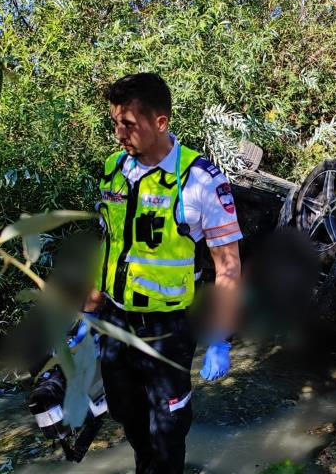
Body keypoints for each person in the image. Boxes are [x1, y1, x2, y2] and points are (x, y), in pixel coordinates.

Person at [81, 72, 242, 473]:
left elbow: (228, 267)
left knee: (168, 427)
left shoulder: (200, 181)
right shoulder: (113, 169)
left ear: (160, 123)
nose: (119, 133)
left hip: (169, 326)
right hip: (117, 321)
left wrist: (220, 338)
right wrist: (87, 313)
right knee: (125, 411)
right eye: (115, 122)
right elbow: (108, 247)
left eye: (128, 124)